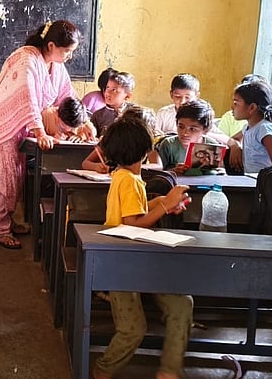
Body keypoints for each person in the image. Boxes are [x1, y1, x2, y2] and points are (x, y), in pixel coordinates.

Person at [93, 116, 193, 379]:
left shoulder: (127, 177)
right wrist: (165, 204)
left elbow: (137, 209)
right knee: (133, 329)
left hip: (140, 261)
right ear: (142, 150)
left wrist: (164, 201)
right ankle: (102, 371)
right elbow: (132, 224)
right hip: (121, 264)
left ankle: (169, 371)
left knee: (182, 305)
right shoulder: (127, 180)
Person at [0, 20, 80, 249]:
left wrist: (84, 122)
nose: (69, 56)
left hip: (19, 128)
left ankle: (7, 221)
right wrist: (40, 132)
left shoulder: (56, 66)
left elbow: (68, 95)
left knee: (17, 176)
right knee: (5, 179)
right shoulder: (26, 59)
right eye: (67, 51)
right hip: (1, 126)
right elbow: (27, 98)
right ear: (51, 45)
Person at [227, 81, 272, 173]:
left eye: (236, 103)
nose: (232, 107)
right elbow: (233, 139)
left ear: (252, 108)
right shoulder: (247, 127)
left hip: (265, 184)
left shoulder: (265, 129)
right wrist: (235, 146)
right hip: (250, 182)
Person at [82, 105, 160, 173]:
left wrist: (131, 168)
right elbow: (85, 163)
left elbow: (157, 165)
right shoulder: (111, 138)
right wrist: (96, 167)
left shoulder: (146, 142)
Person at [155, 99, 220, 174]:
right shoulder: (169, 145)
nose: (185, 133)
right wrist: (173, 172)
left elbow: (219, 172)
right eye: (181, 127)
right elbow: (158, 174)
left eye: (192, 129)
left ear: (205, 130)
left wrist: (221, 173)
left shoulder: (212, 146)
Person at [90, 70, 135, 137]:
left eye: (114, 90)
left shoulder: (135, 113)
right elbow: (91, 138)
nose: (107, 93)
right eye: (107, 87)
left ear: (127, 96)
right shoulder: (98, 115)